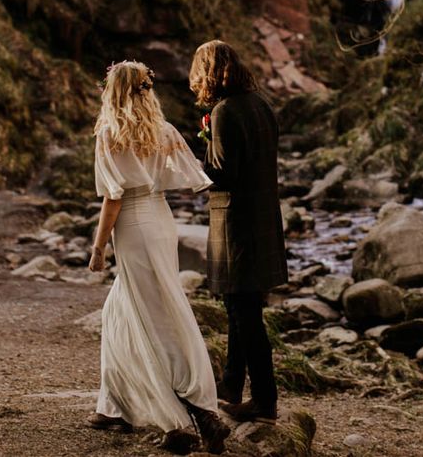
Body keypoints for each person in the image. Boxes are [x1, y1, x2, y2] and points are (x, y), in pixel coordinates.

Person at [87, 60, 230, 454]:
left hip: (132, 226)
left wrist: (99, 247)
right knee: (122, 309)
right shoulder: (163, 131)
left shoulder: (110, 133)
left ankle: (185, 418)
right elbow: (188, 179)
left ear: (113, 91)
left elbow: (113, 197)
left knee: (154, 315)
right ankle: (111, 405)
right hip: (162, 221)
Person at [189, 40, 288, 424]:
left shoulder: (226, 111)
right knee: (240, 308)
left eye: (198, 72)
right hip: (262, 218)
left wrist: (193, 161)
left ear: (209, 71)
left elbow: (222, 174)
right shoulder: (262, 104)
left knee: (245, 315)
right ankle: (231, 385)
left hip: (236, 223)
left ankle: (265, 401)